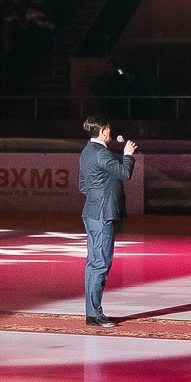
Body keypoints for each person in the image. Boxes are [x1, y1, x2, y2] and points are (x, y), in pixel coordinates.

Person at [79, 118, 137, 328]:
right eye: (108, 128)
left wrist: (98, 196)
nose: (111, 131)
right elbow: (124, 173)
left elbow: (83, 186)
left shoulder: (86, 152)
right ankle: (94, 314)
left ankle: (91, 312)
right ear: (103, 131)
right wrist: (128, 154)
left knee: (93, 263)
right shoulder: (101, 153)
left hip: (92, 213)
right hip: (103, 215)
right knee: (100, 263)